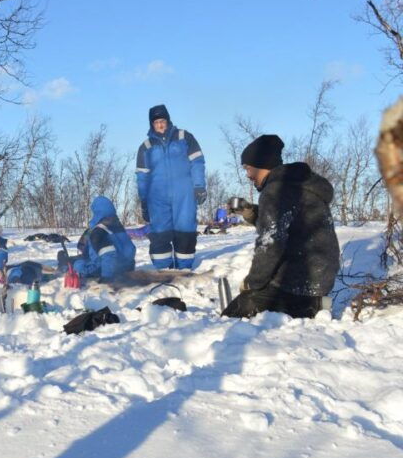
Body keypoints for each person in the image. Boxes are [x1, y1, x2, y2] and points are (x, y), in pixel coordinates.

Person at [223, 134, 340, 319]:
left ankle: (309, 307)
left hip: (298, 282)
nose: (248, 175)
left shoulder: (275, 190)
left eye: (248, 168)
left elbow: (271, 242)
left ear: (261, 164)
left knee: (234, 314)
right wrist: (251, 212)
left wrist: (252, 283)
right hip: (318, 278)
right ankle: (312, 303)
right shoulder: (295, 184)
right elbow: (288, 223)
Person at [136, 104, 206, 269]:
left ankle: (184, 266)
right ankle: (163, 268)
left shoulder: (184, 137)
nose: (160, 125)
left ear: (168, 120)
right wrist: (144, 200)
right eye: (156, 122)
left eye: (162, 121)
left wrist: (199, 186)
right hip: (157, 196)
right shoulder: (146, 147)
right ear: (151, 124)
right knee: (160, 232)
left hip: (184, 193)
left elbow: (197, 162)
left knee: (185, 229)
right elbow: (142, 177)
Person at [60, 196, 135, 282]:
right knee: (80, 259)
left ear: (97, 212)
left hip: (106, 269)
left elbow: (109, 254)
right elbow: (131, 249)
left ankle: (65, 265)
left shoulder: (98, 231)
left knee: (77, 264)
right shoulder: (119, 228)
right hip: (126, 268)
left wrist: (106, 277)